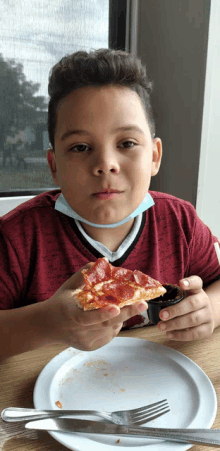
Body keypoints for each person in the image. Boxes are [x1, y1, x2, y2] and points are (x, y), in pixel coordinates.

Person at [0, 48, 220, 361]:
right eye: (80, 147)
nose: (105, 164)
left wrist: (210, 309)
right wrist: (45, 323)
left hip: (155, 383)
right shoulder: (16, 239)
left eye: (127, 143)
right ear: (54, 165)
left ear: (154, 156)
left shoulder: (180, 222)